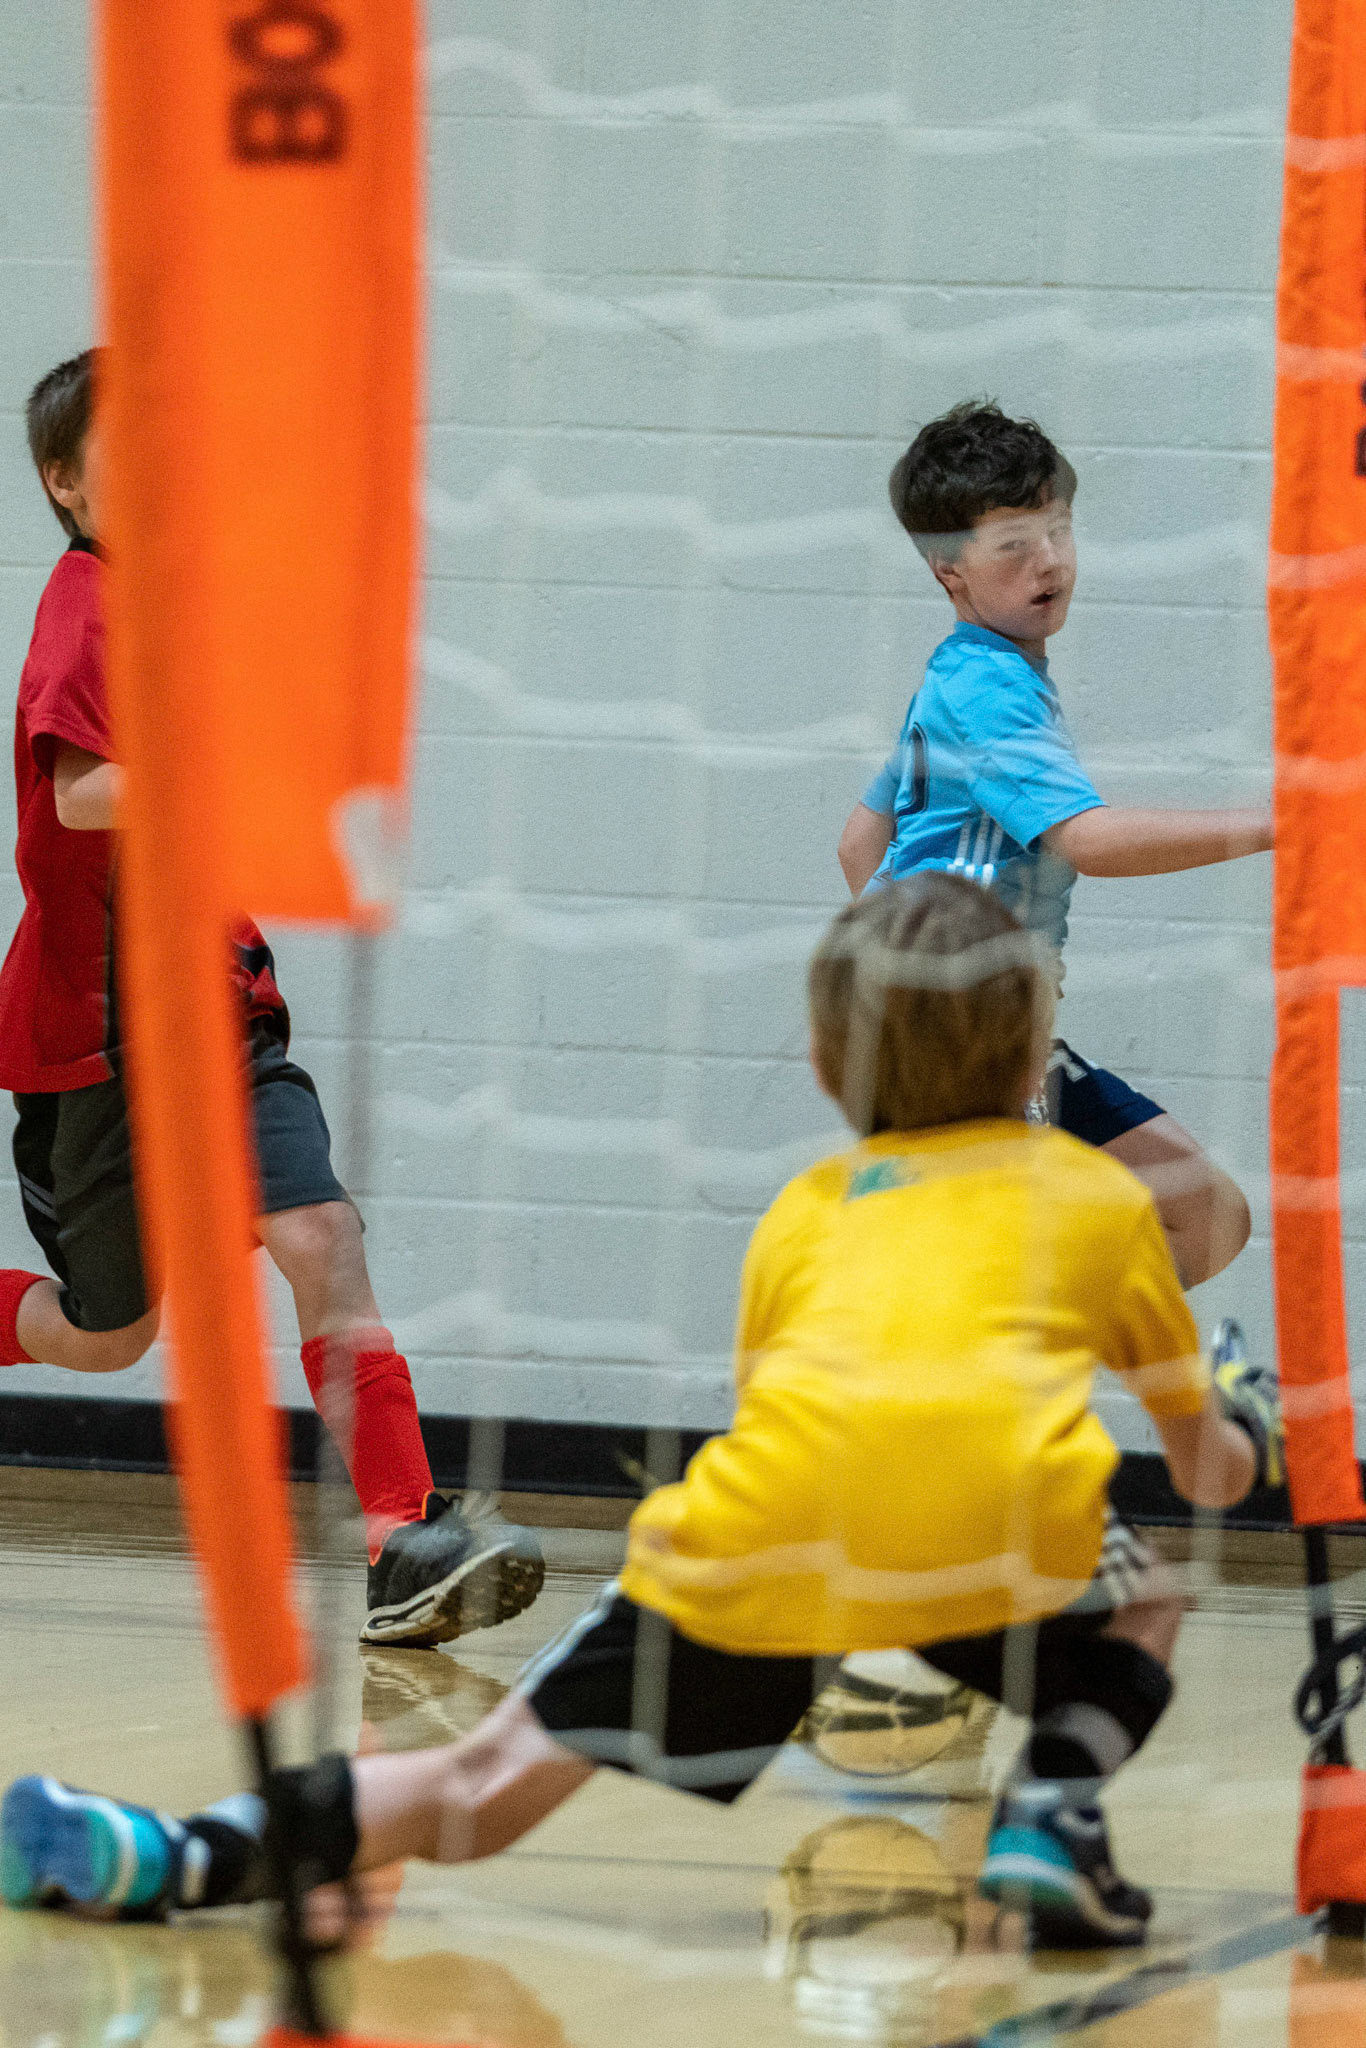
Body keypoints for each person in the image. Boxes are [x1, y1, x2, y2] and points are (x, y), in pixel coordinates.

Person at [0, 875, 1284, 1949]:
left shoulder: (805, 1214)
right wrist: (1243, 1413)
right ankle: (1052, 1808)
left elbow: (794, 1412)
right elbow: (1213, 1475)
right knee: (1148, 1599)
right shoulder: (1099, 1200)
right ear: (1032, 1048)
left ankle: (176, 1852)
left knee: (479, 1791)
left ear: (829, 1065)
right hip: (993, 1537)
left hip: (764, 1538)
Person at [0, 349, 544, 1648]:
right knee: (107, 1335)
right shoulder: (85, 606)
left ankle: (403, 1540)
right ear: (67, 483)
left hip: (220, 1012)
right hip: (100, 1045)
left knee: (322, 1236)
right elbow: (83, 792)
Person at [837, 401, 1272, 1290]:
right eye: (1014, 545)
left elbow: (858, 845)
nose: (1050, 561)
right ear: (948, 571)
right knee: (986, 1273)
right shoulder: (987, 692)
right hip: (962, 1038)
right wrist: (1279, 827)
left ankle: (1037, 1341)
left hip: (988, 1025)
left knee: (1206, 1215)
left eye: (1059, 529)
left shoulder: (963, 673)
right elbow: (1091, 841)